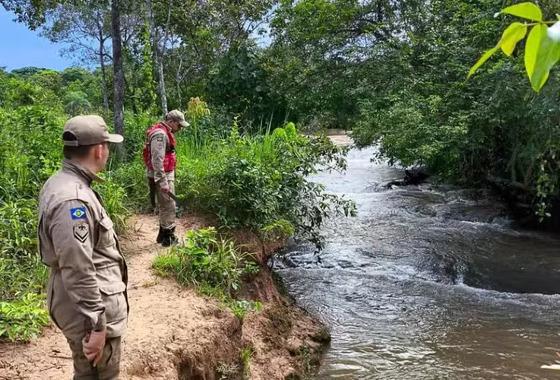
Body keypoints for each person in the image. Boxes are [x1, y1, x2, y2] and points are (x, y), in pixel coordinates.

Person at [38, 115, 128, 379]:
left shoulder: (60, 182)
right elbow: (77, 266)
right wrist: (97, 326)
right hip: (88, 311)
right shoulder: (73, 200)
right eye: (108, 146)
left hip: (80, 304)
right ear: (99, 150)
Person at [142, 110, 189, 246]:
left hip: (164, 173)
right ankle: (168, 237)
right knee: (169, 205)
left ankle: (162, 235)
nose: (180, 128)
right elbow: (157, 160)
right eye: (179, 125)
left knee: (165, 204)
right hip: (162, 175)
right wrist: (163, 182)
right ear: (171, 122)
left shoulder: (163, 131)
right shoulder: (160, 135)